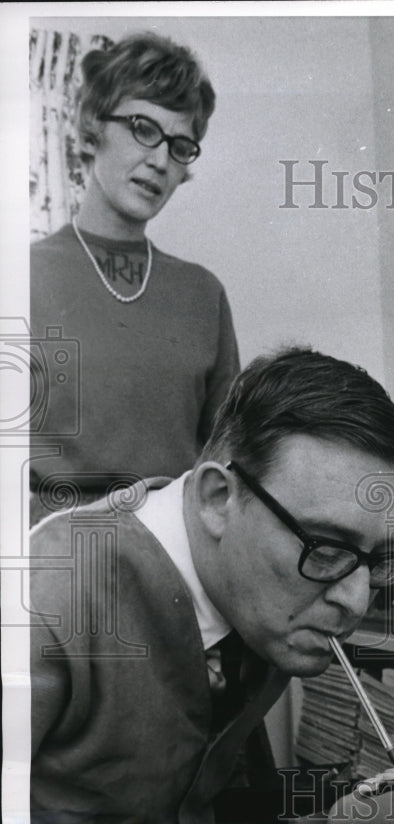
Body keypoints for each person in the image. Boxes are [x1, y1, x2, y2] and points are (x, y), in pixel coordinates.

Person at [29, 347, 394, 824]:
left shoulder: (256, 601)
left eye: (378, 559)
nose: (355, 599)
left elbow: (187, 796)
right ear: (217, 498)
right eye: (327, 547)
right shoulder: (46, 596)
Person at [30, 32, 239, 525]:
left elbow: (227, 465)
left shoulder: (202, 295)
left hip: (176, 565)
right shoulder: (22, 276)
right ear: (91, 128)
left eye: (180, 144)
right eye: (143, 128)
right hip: (54, 560)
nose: (161, 160)